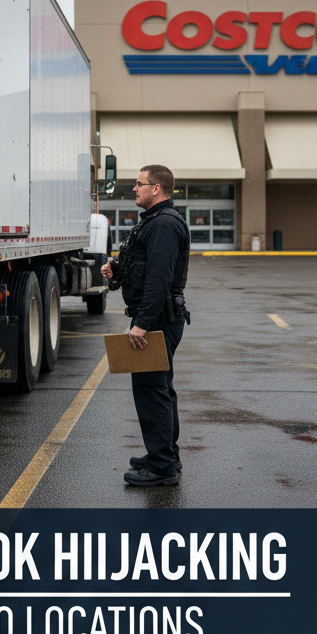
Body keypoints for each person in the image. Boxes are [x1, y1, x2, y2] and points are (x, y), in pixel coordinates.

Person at [101, 164, 191, 487]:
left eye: (139, 184)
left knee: (152, 392)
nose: (134, 189)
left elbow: (158, 281)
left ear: (157, 189)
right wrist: (116, 269)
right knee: (160, 389)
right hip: (160, 319)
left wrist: (141, 325)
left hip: (158, 322)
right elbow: (142, 267)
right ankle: (165, 454)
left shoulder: (164, 225)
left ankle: (162, 466)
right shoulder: (154, 222)